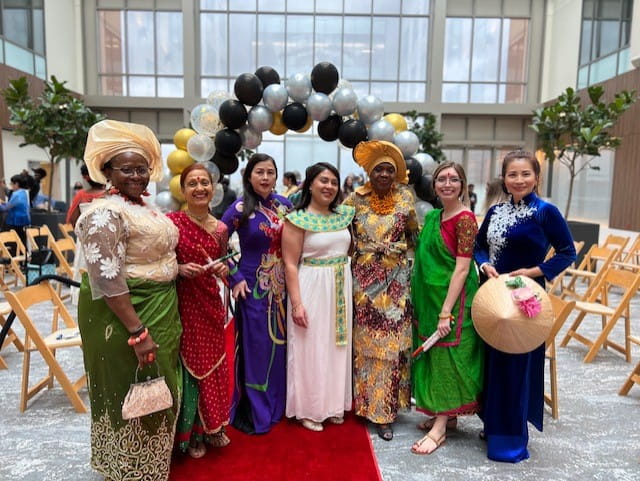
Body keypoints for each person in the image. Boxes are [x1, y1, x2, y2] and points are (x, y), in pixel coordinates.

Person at [75, 119, 182, 481]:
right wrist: (138, 331)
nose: (137, 175)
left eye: (142, 168)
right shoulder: (104, 213)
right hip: (125, 315)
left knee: (159, 388)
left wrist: (182, 269)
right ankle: (127, 468)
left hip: (161, 306)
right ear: (107, 171)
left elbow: (151, 253)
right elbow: (107, 278)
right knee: (131, 388)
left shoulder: (143, 207)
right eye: (127, 169)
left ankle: (150, 465)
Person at [474, 149, 576, 463]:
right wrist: (485, 265)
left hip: (524, 296)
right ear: (504, 179)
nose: (519, 180)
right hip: (492, 296)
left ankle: (510, 439)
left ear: (537, 177)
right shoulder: (495, 211)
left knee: (516, 366)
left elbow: (567, 252)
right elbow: (479, 246)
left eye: (525, 174)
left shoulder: (546, 212)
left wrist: (532, 272)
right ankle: (492, 425)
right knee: (492, 363)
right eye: (512, 174)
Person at [343, 140, 419, 441]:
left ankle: (385, 412)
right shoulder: (354, 200)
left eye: (389, 169)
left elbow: (414, 236)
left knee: (391, 348)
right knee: (368, 346)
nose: (384, 174)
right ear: (369, 173)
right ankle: (367, 406)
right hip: (364, 285)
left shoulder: (405, 198)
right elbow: (341, 234)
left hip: (396, 285)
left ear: (396, 172)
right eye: (378, 170)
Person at [410, 162, 484, 455]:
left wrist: (446, 311)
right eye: (442, 179)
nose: (447, 184)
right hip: (430, 299)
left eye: (454, 179)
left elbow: (462, 269)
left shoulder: (465, 220)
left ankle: (439, 428)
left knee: (447, 358)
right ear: (434, 185)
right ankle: (447, 417)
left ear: (462, 185)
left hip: (453, 302)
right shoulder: (434, 217)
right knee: (433, 354)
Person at [221, 153, 292, 434]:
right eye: (259, 172)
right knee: (257, 347)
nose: (265, 177)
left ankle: (279, 405)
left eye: (270, 172)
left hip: (284, 288)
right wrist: (234, 277)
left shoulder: (285, 205)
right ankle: (255, 409)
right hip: (253, 289)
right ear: (248, 176)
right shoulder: (238, 208)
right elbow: (217, 243)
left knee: (281, 347)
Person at [282, 162, 355, 432]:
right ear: (310, 184)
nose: (329, 186)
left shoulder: (344, 215)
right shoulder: (297, 219)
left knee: (336, 347)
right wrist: (297, 304)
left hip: (340, 286)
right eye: (323, 181)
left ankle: (333, 405)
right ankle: (309, 409)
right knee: (310, 348)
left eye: (334, 182)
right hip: (311, 286)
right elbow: (290, 264)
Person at [168, 163, 231, 458]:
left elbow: (224, 264)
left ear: (213, 189)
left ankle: (214, 427)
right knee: (192, 366)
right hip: (183, 302)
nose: (199, 188)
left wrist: (223, 269)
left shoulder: (221, 229)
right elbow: (160, 263)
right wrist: (179, 268)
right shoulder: (172, 224)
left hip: (210, 304)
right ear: (183, 191)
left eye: (204, 182)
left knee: (215, 364)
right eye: (192, 183)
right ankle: (192, 435)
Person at [0, 174, 31, 246]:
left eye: (11, 184)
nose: (11, 186)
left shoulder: (16, 194)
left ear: (16, 184)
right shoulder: (24, 192)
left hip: (15, 222)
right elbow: (13, 204)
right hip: (23, 221)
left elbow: (5, 208)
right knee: (22, 242)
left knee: (11, 243)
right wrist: (3, 203)